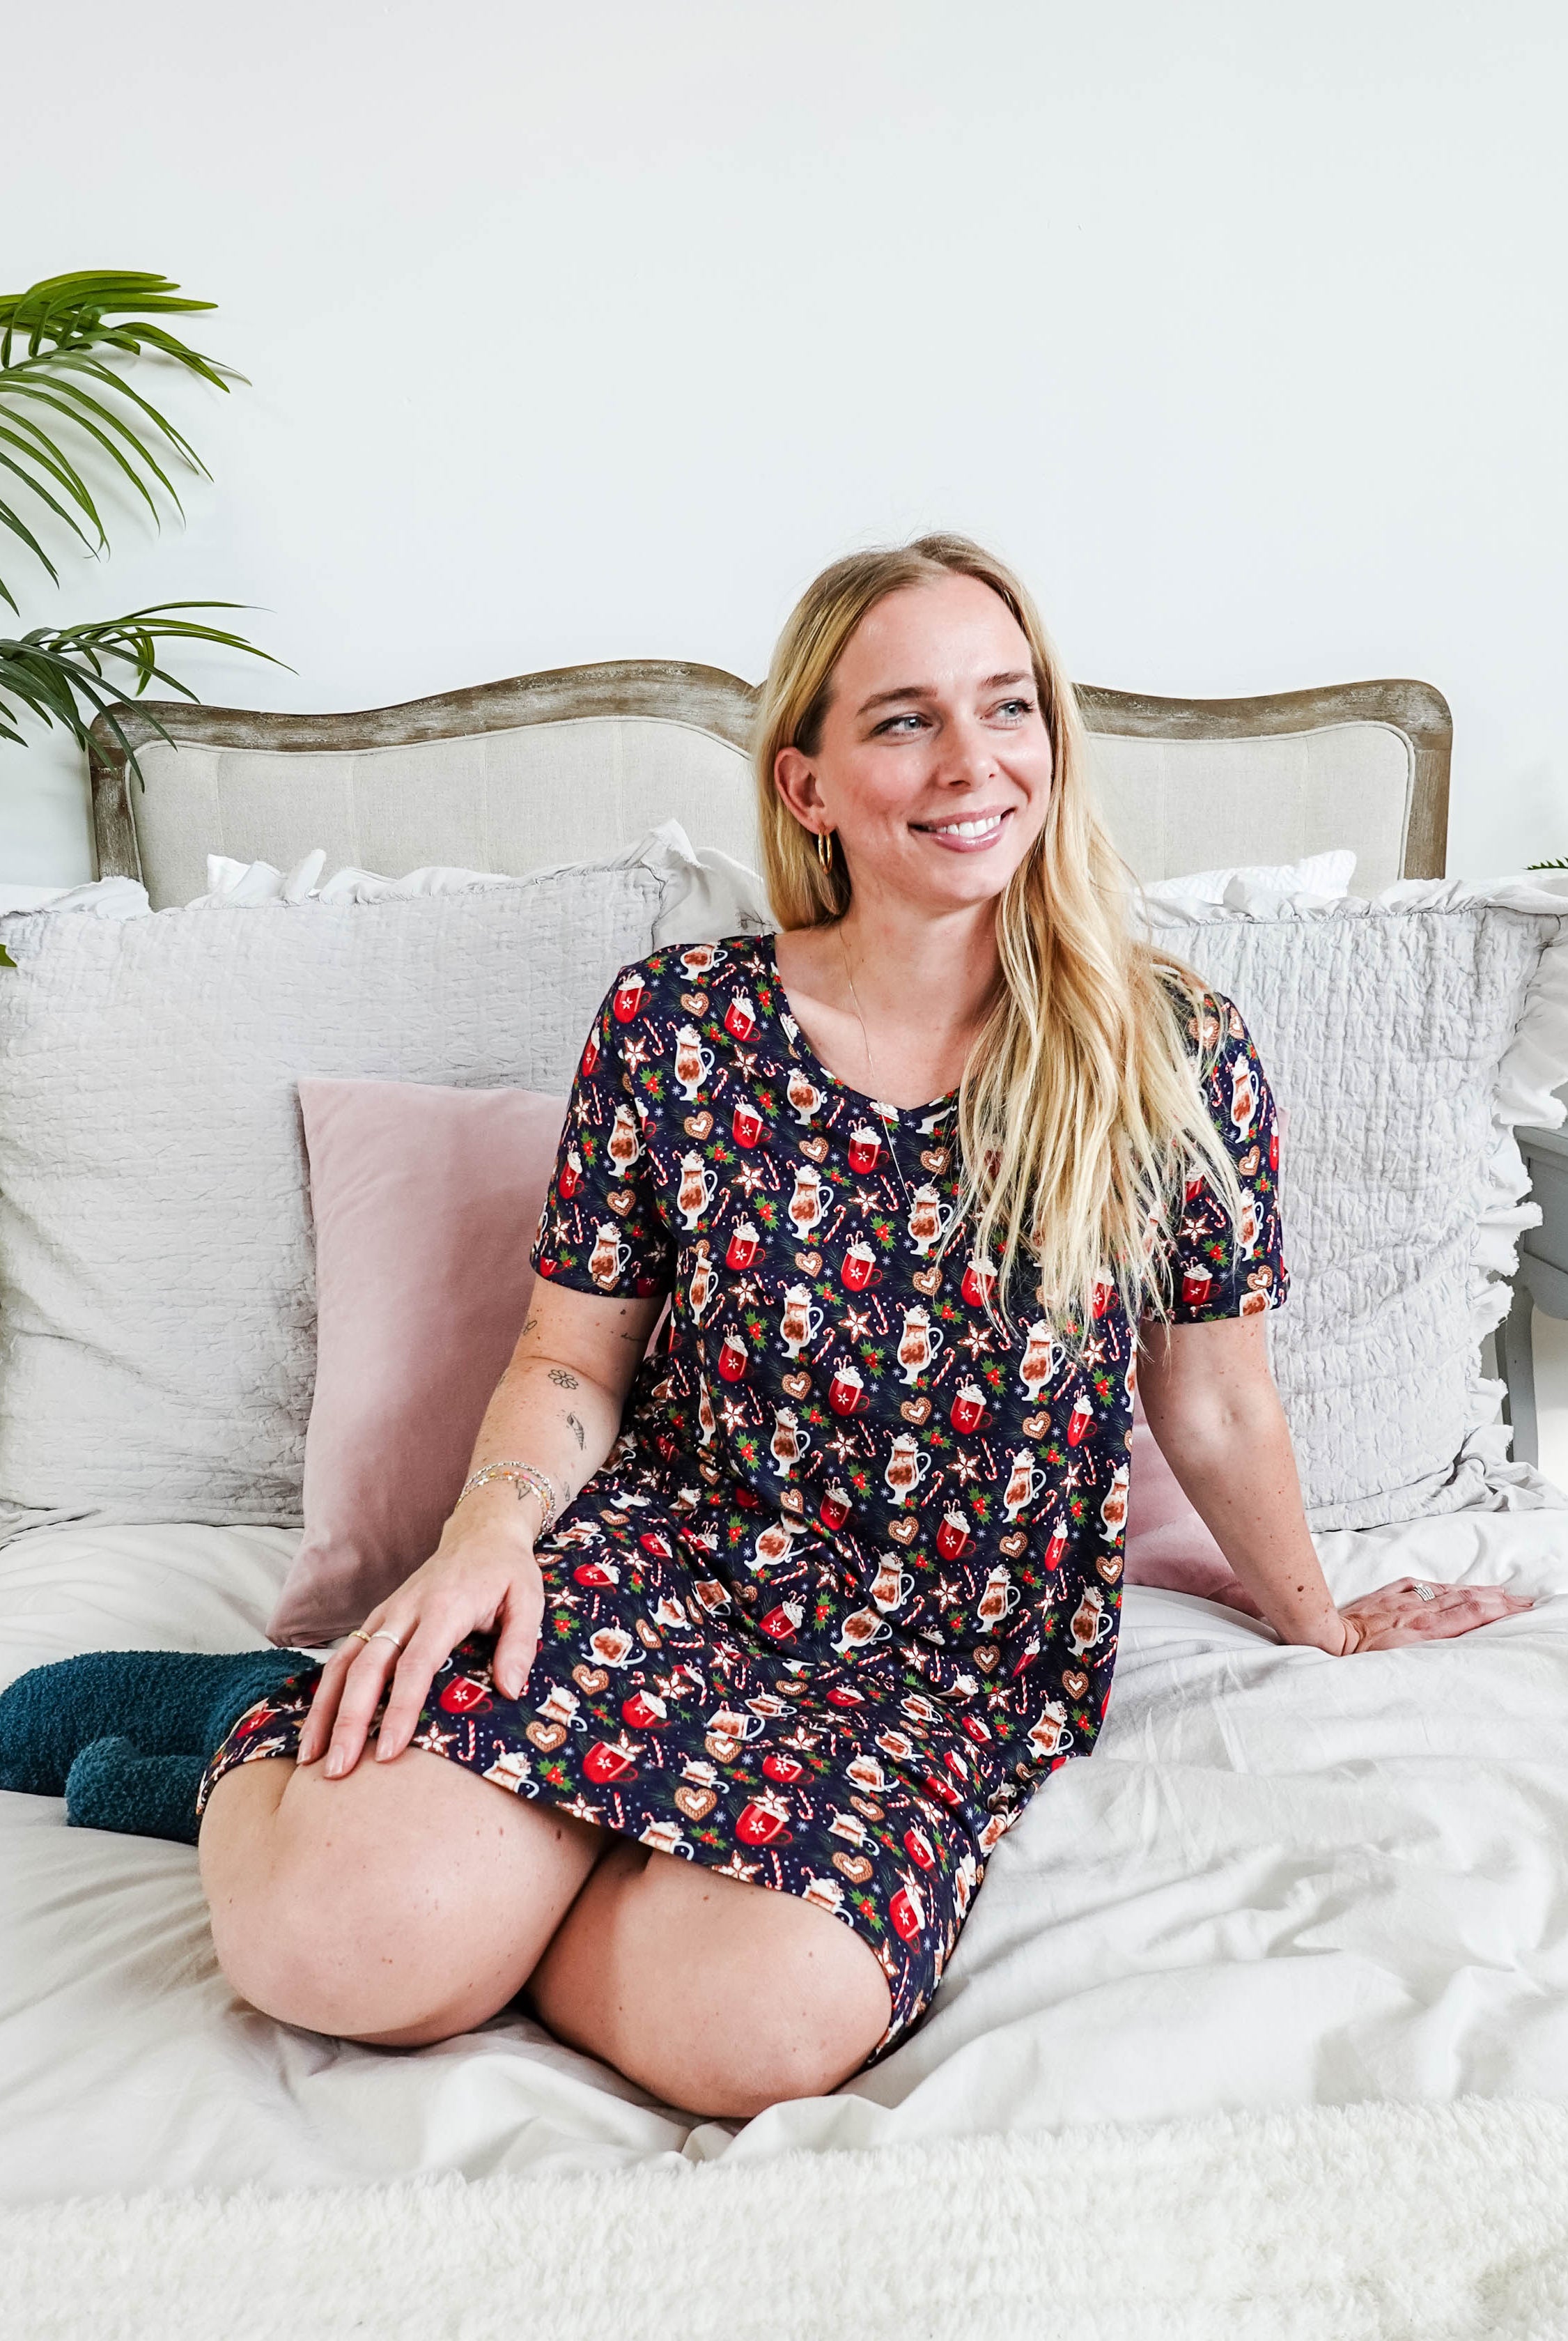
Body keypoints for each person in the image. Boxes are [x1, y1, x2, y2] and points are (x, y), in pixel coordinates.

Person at [53, 535, 1538, 2121]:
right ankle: (261, 1730)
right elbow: (570, 1359)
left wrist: (1318, 1617)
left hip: (952, 1647)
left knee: (749, 2036)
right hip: (674, 1556)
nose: (973, 763)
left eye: (1008, 707)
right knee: (342, 1952)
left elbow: (1221, 1404)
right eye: (902, 720)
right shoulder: (679, 1023)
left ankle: (490, 1847)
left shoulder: (1170, 1052)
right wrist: (484, 1537)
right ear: (810, 785)